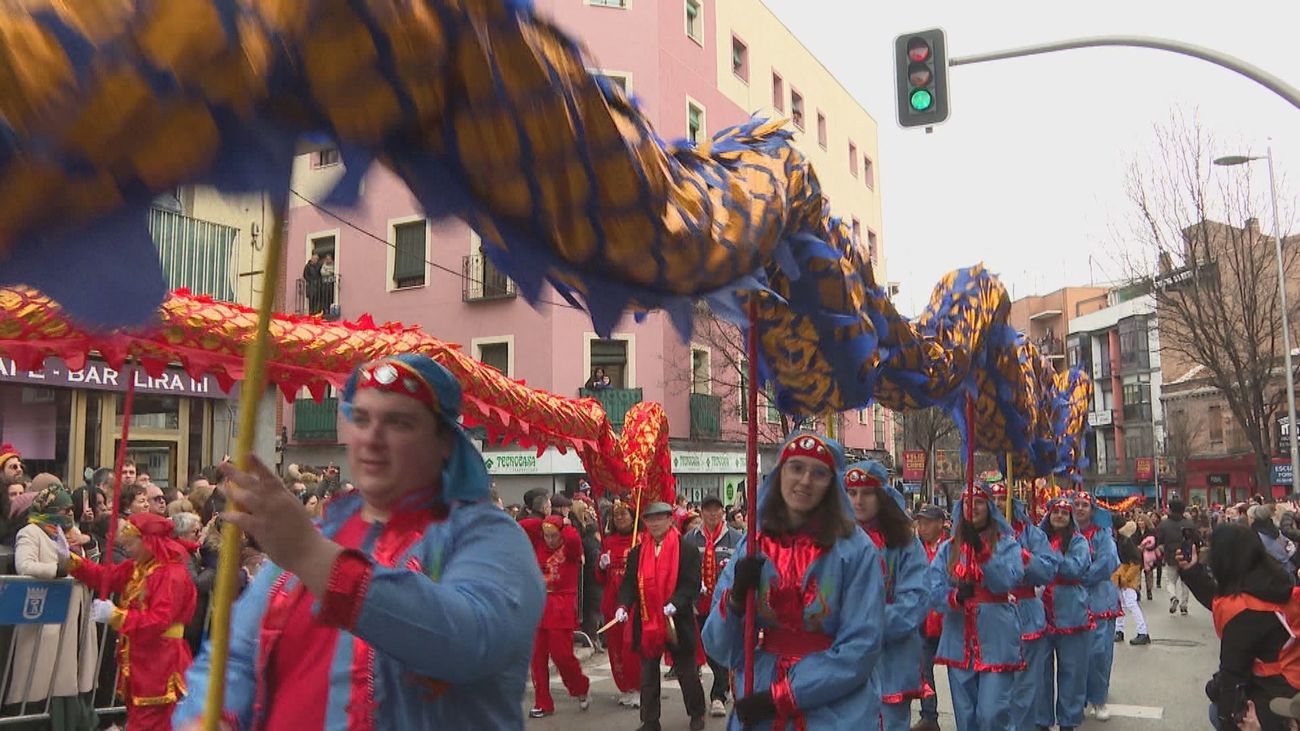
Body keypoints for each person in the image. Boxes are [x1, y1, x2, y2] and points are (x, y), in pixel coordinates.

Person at [173, 354, 545, 729]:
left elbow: (471, 642)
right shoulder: (319, 532)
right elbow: (235, 655)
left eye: (399, 422)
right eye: (361, 419)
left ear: (445, 441)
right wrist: (209, 717)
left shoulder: (488, 537)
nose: (372, 438)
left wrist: (311, 555)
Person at [703, 432, 886, 730]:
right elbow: (721, 648)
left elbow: (862, 644)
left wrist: (783, 697)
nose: (805, 481)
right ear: (780, 473)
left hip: (833, 706)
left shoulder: (856, 550)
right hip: (760, 694)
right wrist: (735, 601)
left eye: (819, 473)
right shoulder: (754, 543)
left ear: (832, 484)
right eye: (796, 468)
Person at [62, 512, 197, 731]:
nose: (126, 548)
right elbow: (105, 576)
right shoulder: (137, 567)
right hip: (140, 660)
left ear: (148, 542)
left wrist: (116, 616)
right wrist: (70, 561)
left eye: (131, 543)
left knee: (149, 722)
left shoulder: (171, 574)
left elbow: (159, 620)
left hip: (160, 662)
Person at [926, 479, 1026, 731]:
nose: (973, 507)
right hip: (959, 640)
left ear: (989, 507)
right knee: (966, 717)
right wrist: (955, 597)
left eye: (979, 502)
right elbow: (931, 590)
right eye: (968, 502)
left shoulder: (1007, 544)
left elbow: (1008, 581)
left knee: (991, 714)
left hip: (996, 638)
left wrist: (982, 552)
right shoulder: (949, 548)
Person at [1179, 523, 1300, 730]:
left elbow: (1232, 674)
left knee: (1217, 711)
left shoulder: (1244, 612)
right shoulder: (1272, 582)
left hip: (1278, 694)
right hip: (1289, 683)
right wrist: (1193, 572)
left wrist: (1229, 718)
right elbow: (1225, 601)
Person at [845, 460, 931, 730]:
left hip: (893, 658)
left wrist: (870, 623)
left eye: (867, 493)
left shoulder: (904, 542)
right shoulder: (835, 540)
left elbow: (916, 598)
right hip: (844, 659)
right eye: (852, 493)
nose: (858, 500)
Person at [10, 485, 98, 730]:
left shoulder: (71, 532)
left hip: (76, 613)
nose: (69, 514)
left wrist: (89, 544)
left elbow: (93, 564)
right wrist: (58, 571)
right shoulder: (30, 532)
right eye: (64, 509)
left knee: (72, 674)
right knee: (43, 676)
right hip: (47, 617)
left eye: (71, 510)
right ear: (49, 509)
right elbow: (24, 566)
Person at [613, 500, 706, 731]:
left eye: (659, 518)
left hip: (676, 620)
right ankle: (650, 720)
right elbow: (629, 584)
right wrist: (623, 606)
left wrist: (676, 603)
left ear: (670, 520)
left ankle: (697, 713)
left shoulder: (686, 550)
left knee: (687, 672)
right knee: (648, 675)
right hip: (647, 620)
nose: (654, 524)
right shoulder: (638, 552)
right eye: (650, 519)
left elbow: (691, 584)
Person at [988, 477, 1061, 731]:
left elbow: (1048, 569)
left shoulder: (1031, 534)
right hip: (991, 616)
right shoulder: (978, 535)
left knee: (1026, 685)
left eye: (1003, 499)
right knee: (994, 688)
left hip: (1026, 612)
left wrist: (1023, 558)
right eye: (993, 499)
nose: (998, 504)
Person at [520, 515, 591, 718]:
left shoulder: (570, 549)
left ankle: (580, 687)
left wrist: (565, 524)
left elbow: (574, 539)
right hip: (539, 604)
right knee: (537, 658)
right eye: (546, 535)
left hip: (561, 606)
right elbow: (523, 525)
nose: (550, 540)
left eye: (554, 535)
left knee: (562, 656)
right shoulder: (538, 544)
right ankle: (543, 702)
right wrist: (544, 521)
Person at [1034, 496, 1094, 731]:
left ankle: (1068, 721)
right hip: (1041, 614)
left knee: (1072, 670)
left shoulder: (1078, 541)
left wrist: (1051, 556)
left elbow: (1075, 568)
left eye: (1064, 513)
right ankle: (1042, 720)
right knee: (1041, 672)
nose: (1059, 516)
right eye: (1055, 511)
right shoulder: (1038, 538)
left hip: (1072, 614)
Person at [683, 494, 743, 717]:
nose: (712, 514)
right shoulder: (690, 539)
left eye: (716, 510)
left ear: (722, 513)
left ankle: (718, 695)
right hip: (698, 602)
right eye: (707, 510)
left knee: (721, 645)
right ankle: (721, 688)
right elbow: (682, 568)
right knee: (706, 647)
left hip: (724, 604)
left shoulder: (736, 538)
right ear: (701, 512)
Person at [1073, 492, 1120, 722]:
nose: (1080, 508)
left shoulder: (1102, 535)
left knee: (1099, 653)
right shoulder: (1066, 535)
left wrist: (1078, 576)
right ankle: (1077, 699)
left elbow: (1108, 562)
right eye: (1076, 504)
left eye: (1085, 505)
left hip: (1100, 600)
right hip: (1072, 602)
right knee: (1075, 655)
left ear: (1092, 510)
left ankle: (1099, 699)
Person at [598, 499, 642, 708]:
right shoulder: (608, 542)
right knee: (615, 647)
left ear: (633, 517)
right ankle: (626, 687)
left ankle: (639, 686)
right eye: (616, 515)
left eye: (624, 514)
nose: (620, 518)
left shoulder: (642, 540)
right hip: (612, 601)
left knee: (630, 646)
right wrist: (601, 565)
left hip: (635, 601)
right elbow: (599, 578)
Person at [913, 505, 948, 731]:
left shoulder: (950, 547)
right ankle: (929, 716)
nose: (922, 527)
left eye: (926, 522)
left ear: (940, 523)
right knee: (924, 670)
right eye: (920, 522)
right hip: (925, 622)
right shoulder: (916, 549)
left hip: (949, 620)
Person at [1114, 520, 1151, 645]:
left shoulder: (1125, 541)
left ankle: (1142, 632)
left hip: (1128, 574)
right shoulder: (1119, 540)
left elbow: (1135, 561)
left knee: (1130, 603)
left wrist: (1126, 577)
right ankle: (1119, 630)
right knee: (1121, 603)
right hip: (1122, 574)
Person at [1158, 498, 1197, 616]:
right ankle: (1184, 606)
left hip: (1171, 555)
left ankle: (1173, 597)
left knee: (1170, 581)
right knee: (1185, 582)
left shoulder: (1164, 524)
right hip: (1186, 556)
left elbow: (1160, 541)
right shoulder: (1189, 524)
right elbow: (1195, 539)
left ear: (1170, 509)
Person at [1137, 512, 1159, 601]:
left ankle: (1149, 590)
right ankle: (1138, 590)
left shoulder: (1151, 531)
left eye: (1142, 520)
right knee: (1137, 573)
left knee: (1149, 573)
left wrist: (1147, 547)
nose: (1140, 522)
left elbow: (1155, 542)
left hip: (1148, 555)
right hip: (1138, 555)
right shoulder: (1136, 531)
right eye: (1139, 520)